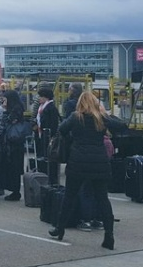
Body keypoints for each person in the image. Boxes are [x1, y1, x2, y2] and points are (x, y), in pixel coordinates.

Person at [48, 91, 123, 249]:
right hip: (99, 162)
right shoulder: (101, 118)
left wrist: (73, 141)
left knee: (70, 196)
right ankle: (109, 235)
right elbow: (122, 126)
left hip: (78, 161)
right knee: (103, 198)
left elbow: (61, 129)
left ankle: (59, 228)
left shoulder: (76, 117)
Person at [0, 89, 28, 201]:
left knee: (14, 167)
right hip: (14, 143)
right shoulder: (18, 107)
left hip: (14, 143)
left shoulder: (15, 110)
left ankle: (15, 191)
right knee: (13, 167)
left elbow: (7, 121)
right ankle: (13, 190)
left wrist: (5, 110)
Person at [35, 86, 61, 184]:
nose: (39, 99)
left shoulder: (51, 108)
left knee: (48, 157)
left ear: (46, 97)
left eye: (41, 97)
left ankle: (50, 179)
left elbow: (53, 124)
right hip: (41, 135)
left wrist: (51, 136)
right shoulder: (42, 107)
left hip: (48, 137)